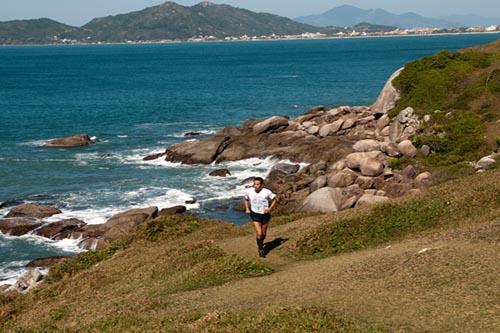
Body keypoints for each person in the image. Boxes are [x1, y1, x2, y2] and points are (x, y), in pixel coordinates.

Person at [244, 177, 277, 258]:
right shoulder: (249, 191)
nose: (256, 186)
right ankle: (261, 249)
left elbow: (275, 199)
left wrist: (269, 209)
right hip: (255, 214)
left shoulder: (266, 192)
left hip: (265, 214)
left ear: (262, 185)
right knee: (259, 233)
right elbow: (246, 199)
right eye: (254, 184)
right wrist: (247, 208)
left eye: (258, 184)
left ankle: (261, 243)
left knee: (264, 234)